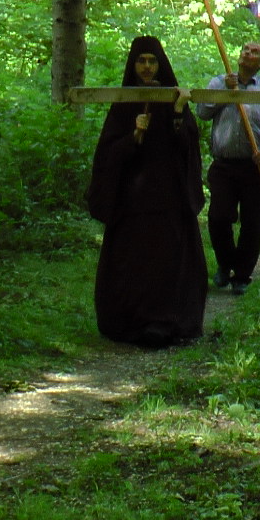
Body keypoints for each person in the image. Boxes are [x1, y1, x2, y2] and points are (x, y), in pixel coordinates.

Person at [87, 36, 207, 347]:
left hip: (168, 199)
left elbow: (188, 148)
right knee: (134, 262)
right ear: (133, 64)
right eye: (141, 61)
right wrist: (134, 136)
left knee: (167, 261)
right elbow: (107, 156)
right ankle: (133, 322)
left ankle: (164, 322)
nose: (147, 67)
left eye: (152, 61)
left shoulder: (173, 98)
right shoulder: (123, 104)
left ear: (160, 64)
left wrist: (179, 114)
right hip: (133, 202)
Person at [195, 43, 260, 293]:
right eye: (245, 50)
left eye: (255, 52)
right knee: (218, 217)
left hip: (255, 166)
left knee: (252, 222)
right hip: (224, 164)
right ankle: (225, 265)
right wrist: (224, 94)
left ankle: (242, 275)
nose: (248, 53)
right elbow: (202, 112)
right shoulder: (219, 83)